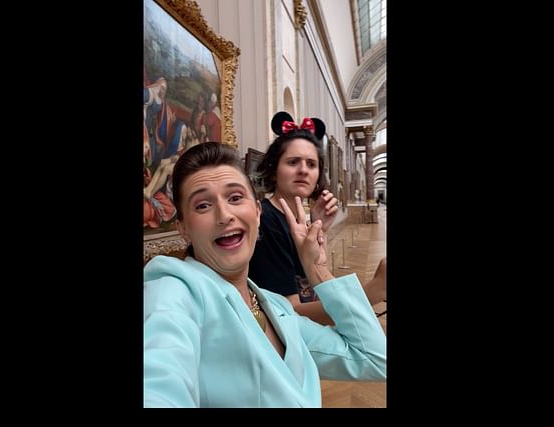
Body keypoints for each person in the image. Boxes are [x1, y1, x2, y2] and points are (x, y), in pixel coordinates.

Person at [144, 142, 386, 407]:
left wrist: (318, 268)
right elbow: (159, 380)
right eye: (202, 205)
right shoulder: (173, 294)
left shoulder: (274, 306)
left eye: (235, 198)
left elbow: (375, 360)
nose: (224, 215)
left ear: (257, 212)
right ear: (183, 229)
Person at [248, 112, 386, 326]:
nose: (303, 170)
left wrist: (321, 230)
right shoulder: (267, 221)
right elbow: (288, 314)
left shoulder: (299, 219)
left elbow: (315, 287)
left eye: (311, 164)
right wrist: (374, 291)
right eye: (293, 162)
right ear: (274, 171)